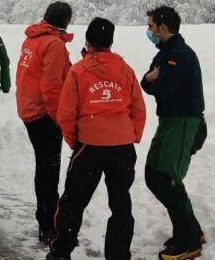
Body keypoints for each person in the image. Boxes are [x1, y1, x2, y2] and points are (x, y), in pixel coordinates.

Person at [48, 18, 146, 260]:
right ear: (111, 42)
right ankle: (119, 254)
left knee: (73, 202)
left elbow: (66, 114)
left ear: (88, 41)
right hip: (122, 148)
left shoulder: (79, 71)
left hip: (90, 146)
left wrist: (75, 142)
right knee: (121, 203)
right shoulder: (125, 69)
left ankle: (61, 252)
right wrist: (130, 135)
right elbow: (138, 109)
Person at [140, 6, 207, 260]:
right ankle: (190, 230)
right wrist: (150, 79)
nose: (149, 31)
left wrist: (153, 81)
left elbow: (163, 88)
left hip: (184, 122)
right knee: (153, 175)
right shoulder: (165, 54)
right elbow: (148, 83)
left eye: (150, 27)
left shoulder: (180, 55)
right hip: (168, 121)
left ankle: (189, 242)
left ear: (163, 28)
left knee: (167, 177)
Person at [15, 1, 73, 244]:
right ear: (65, 21)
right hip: (44, 113)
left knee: (44, 166)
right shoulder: (54, 44)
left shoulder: (32, 39)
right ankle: (48, 224)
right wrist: (60, 118)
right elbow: (51, 88)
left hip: (28, 108)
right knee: (49, 169)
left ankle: (46, 217)